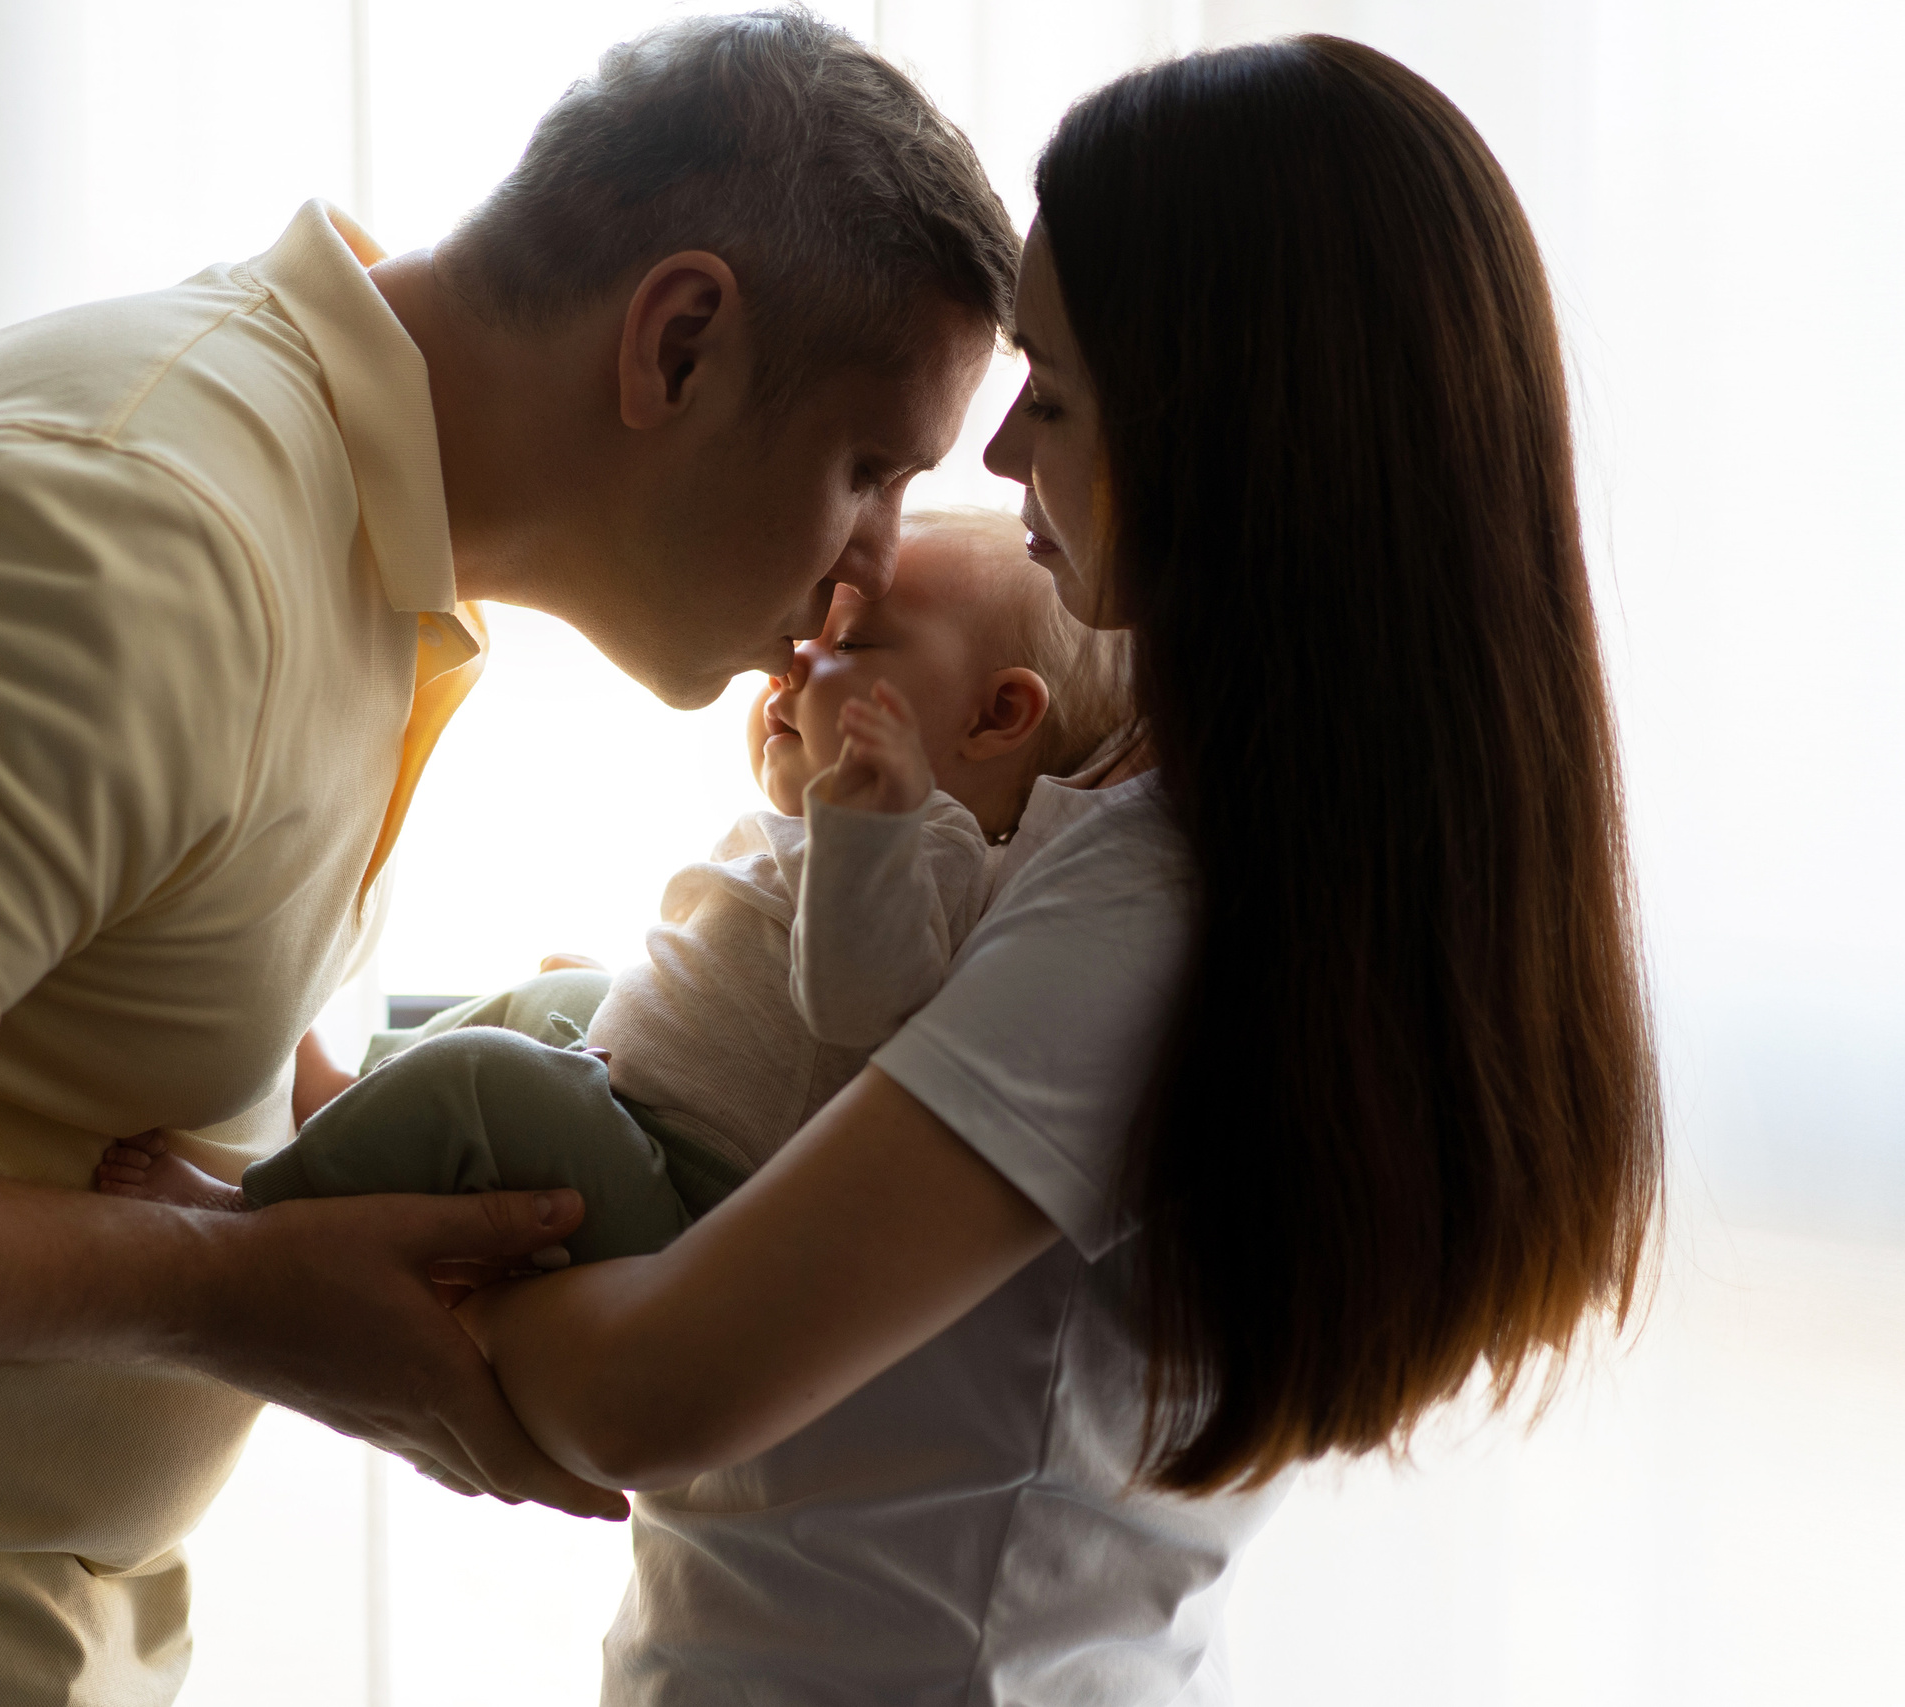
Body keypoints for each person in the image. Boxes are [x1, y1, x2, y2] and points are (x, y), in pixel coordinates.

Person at [0, 13, 1016, 1705]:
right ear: (677, 344)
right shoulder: (140, 546)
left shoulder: (336, 534)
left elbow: (65, 1058)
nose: (871, 575)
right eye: (873, 470)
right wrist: (231, 1291)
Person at [438, 36, 1667, 1705]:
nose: (1002, 455)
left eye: (1056, 393)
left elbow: (655, 1392)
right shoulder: (1247, 841)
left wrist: (373, 1269)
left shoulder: (1149, 904)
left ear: (1237, 442)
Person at [91, 510, 1132, 1261]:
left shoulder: (932, 845)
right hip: (661, 1112)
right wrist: (648, 1003)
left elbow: (858, 1003)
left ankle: (248, 1214)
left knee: (500, 1081)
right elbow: (747, 972)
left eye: (848, 647)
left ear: (995, 718)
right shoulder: (852, 824)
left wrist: (868, 832)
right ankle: (349, 1094)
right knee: (557, 1002)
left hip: (699, 1204)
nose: (792, 662)